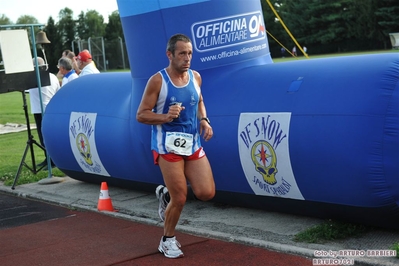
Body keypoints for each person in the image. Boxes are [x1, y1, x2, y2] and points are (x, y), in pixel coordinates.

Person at [136, 33, 215, 259]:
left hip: (192, 144)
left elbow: (199, 100)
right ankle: (167, 240)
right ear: (169, 54)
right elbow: (141, 115)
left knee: (206, 192)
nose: (187, 58)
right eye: (182, 53)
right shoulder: (158, 81)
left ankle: (166, 196)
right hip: (166, 146)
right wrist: (165, 117)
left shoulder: (196, 77)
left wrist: (204, 120)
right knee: (181, 197)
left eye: (190, 53)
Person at [29, 57, 60, 169]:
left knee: (43, 137)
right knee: (49, 135)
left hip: (39, 110)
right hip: (51, 109)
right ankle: (49, 158)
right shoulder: (53, 76)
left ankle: (51, 160)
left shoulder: (34, 78)